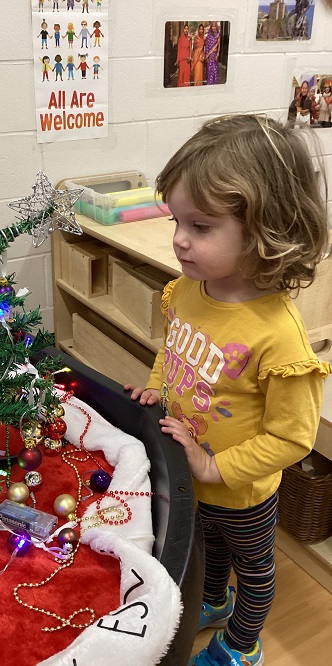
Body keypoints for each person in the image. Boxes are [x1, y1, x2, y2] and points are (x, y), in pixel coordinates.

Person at [125, 114, 331, 666]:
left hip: (240, 491)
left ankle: (242, 645)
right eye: (177, 221)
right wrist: (153, 394)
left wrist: (216, 468)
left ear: (268, 229)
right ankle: (212, 601)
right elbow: (171, 356)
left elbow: (293, 437)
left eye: (201, 226)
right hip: (189, 475)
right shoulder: (189, 292)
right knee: (204, 553)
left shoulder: (278, 337)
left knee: (254, 574)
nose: (179, 241)